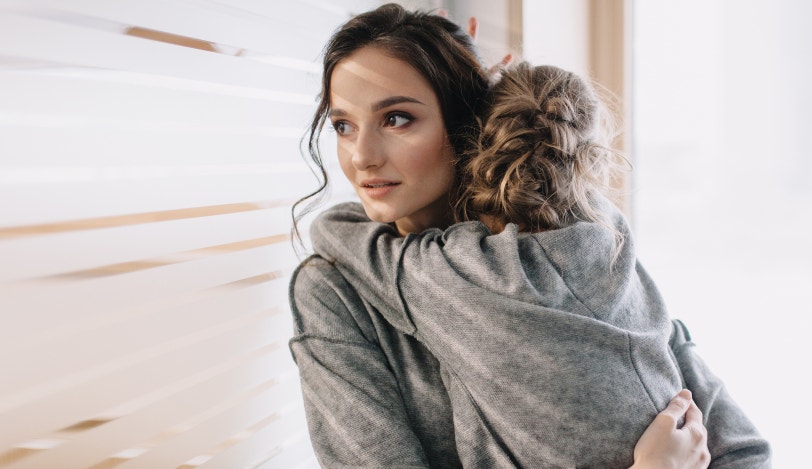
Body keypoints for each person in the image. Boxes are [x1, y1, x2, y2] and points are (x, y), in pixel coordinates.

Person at [289, 3, 768, 467]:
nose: (361, 156)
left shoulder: (572, 240)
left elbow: (742, 450)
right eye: (343, 125)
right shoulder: (335, 292)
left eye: (397, 119)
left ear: (465, 123)